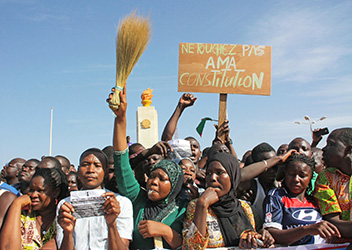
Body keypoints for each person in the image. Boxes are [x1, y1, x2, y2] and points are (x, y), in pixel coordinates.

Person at [109, 87, 187, 250]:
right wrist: (120, 118)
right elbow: (121, 162)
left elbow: (194, 243)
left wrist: (167, 232)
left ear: (174, 185)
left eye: (162, 178)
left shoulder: (185, 207)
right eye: (152, 176)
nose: (153, 182)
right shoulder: (138, 199)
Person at [183, 152, 274, 249]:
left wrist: (260, 236)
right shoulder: (196, 206)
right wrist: (202, 205)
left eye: (220, 172)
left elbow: (254, 236)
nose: (212, 178)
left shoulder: (245, 208)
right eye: (209, 173)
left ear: (232, 176)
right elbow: (191, 247)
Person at [56, 148, 133, 250]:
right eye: (85, 165)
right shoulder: (65, 205)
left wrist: (111, 224)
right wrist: (68, 232)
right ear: (78, 171)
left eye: (97, 166)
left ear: (105, 172)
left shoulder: (121, 203)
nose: (91, 170)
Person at [263, 153, 340, 246]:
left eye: (302, 176)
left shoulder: (316, 199)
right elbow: (272, 233)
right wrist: (308, 229)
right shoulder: (276, 196)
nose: (296, 179)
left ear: (310, 177)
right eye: (291, 174)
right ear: (285, 175)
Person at [0, 167, 66, 250]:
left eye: (40, 190)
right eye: (31, 190)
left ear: (56, 192)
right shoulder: (22, 216)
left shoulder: (62, 217)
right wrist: (16, 204)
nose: (34, 195)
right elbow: (7, 247)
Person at [314, 127, 352, 242]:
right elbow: (332, 222)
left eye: (330, 144)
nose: (324, 149)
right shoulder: (326, 179)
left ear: (349, 149)